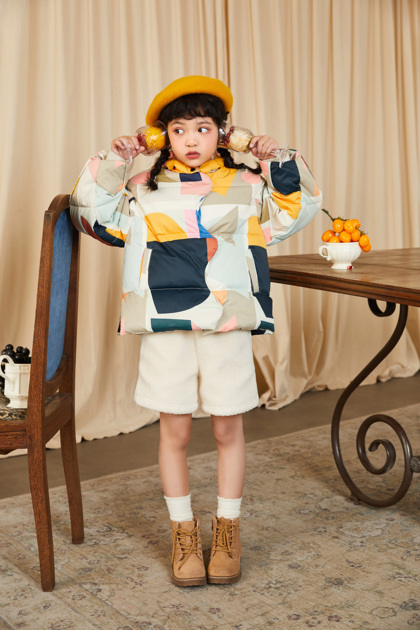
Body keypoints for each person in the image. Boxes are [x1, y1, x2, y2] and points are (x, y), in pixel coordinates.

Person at [70, 75, 322, 587]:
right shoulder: (143, 188)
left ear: (222, 132)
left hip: (227, 320)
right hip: (165, 322)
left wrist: (270, 153)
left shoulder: (248, 185)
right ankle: (183, 532)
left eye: (203, 128)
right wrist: (123, 154)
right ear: (163, 135)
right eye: (178, 129)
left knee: (228, 428)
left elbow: (299, 207)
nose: (190, 140)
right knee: (176, 432)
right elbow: (90, 212)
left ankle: (227, 530)